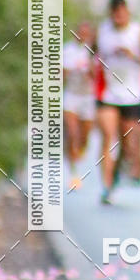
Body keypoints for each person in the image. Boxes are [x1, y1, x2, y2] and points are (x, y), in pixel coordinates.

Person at [96, 0, 140, 204]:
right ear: (111, 14)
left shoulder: (138, 32)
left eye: (122, 13)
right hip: (107, 93)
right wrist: (92, 64)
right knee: (107, 136)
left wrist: (134, 56)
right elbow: (94, 54)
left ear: (127, 13)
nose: (119, 17)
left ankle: (114, 178)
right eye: (115, 14)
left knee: (126, 144)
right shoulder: (103, 31)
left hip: (131, 94)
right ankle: (106, 186)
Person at [63, 21, 95, 190]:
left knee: (83, 137)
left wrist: (90, 70)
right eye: (80, 32)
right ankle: (74, 174)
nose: (82, 35)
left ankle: (79, 152)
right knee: (72, 133)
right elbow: (59, 74)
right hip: (71, 96)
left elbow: (99, 76)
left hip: (88, 98)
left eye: (86, 32)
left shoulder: (93, 52)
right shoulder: (67, 50)